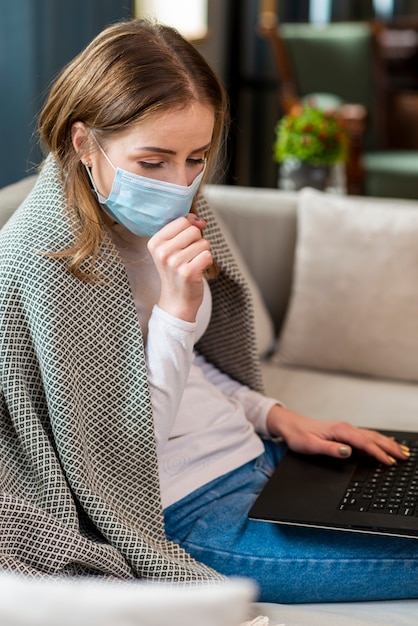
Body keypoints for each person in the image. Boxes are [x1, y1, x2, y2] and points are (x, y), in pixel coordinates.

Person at [0, 17, 416, 603]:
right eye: (153, 162)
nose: (179, 184)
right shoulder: (42, 261)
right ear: (83, 143)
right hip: (189, 514)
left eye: (195, 158)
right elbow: (122, 457)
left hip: (262, 456)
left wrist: (275, 417)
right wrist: (175, 309)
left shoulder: (172, 212)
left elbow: (194, 369)